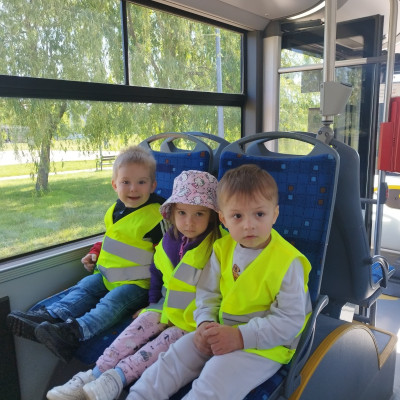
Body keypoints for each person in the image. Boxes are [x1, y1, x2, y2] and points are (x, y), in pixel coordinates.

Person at [127, 164, 313, 400]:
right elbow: (207, 293)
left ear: (274, 214)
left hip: (265, 345)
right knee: (174, 359)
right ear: (223, 218)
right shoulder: (221, 249)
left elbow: (290, 321)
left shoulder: (288, 262)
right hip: (220, 329)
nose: (248, 225)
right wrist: (205, 323)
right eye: (237, 216)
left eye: (259, 214)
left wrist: (240, 337)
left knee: (215, 379)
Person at [45, 170, 221, 400]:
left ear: (212, 216)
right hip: (165, 306)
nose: (189, 222)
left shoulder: (218, 247)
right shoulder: (169, 240)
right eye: (182, 213)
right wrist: (152, 304)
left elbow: (218, 292)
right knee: (134, 330)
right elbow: (157, 272)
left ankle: (116, 379)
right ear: (172, 213)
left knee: (159, 346)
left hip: (192, 318)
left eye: (199, 213)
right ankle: (93, 374)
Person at [7, 145, 169, 363]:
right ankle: (50, 316)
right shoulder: (115, 210)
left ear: (153, 185)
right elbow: (111, 238)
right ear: (115, 185)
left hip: (138, 285)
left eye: (141, 182)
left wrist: (156, 302)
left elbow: (169, 260)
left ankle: (73, 334)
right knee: (84, 287)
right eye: (126, 182)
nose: (133, 189)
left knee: (111, 302)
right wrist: (95, 253)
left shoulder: (157, 218)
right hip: (107, 276)